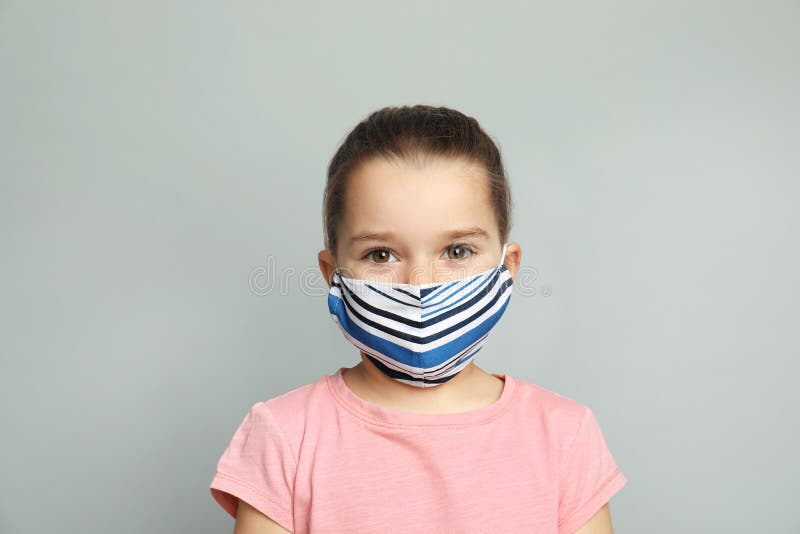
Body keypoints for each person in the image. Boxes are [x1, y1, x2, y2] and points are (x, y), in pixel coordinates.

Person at [209, 105, 628, 533]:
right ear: (333, 275)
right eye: (381, 254)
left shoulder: (563, 437)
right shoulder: (284, 437)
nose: (419, 285)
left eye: (457, 251)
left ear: (509, 266)